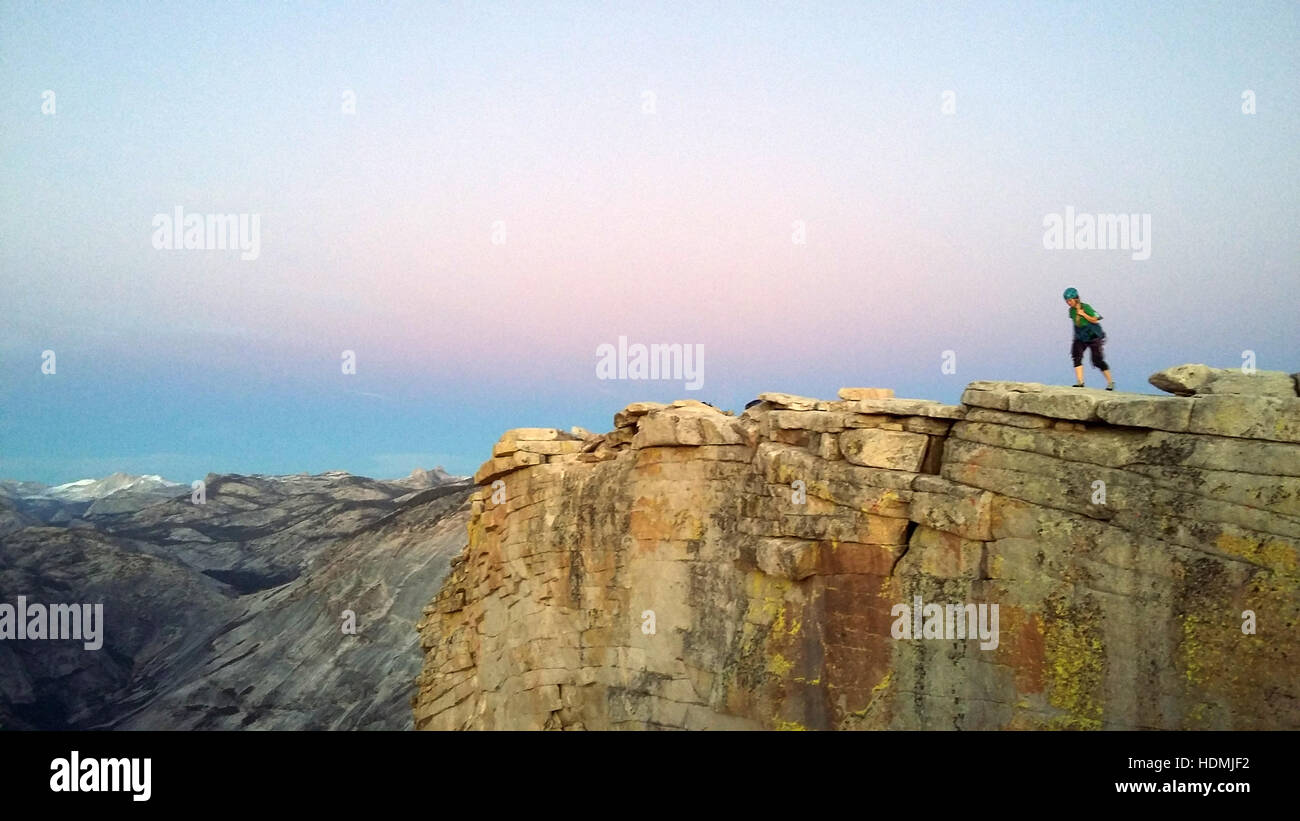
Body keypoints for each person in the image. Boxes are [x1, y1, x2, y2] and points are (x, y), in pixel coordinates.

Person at [1063, 287, 1114, 390]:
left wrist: (1083, 314)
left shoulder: (1086, 307)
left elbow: (1095, 319)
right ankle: (1080, 382)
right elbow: (1077, 323)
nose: (1068, 303)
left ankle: (1110, 382)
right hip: (1080, 336)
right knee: (1076, 356)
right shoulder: (1071, 311)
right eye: (1067, 301)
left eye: (1070, 300)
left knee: (1097, 361)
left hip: (1093, 335)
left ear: (1076, 298)